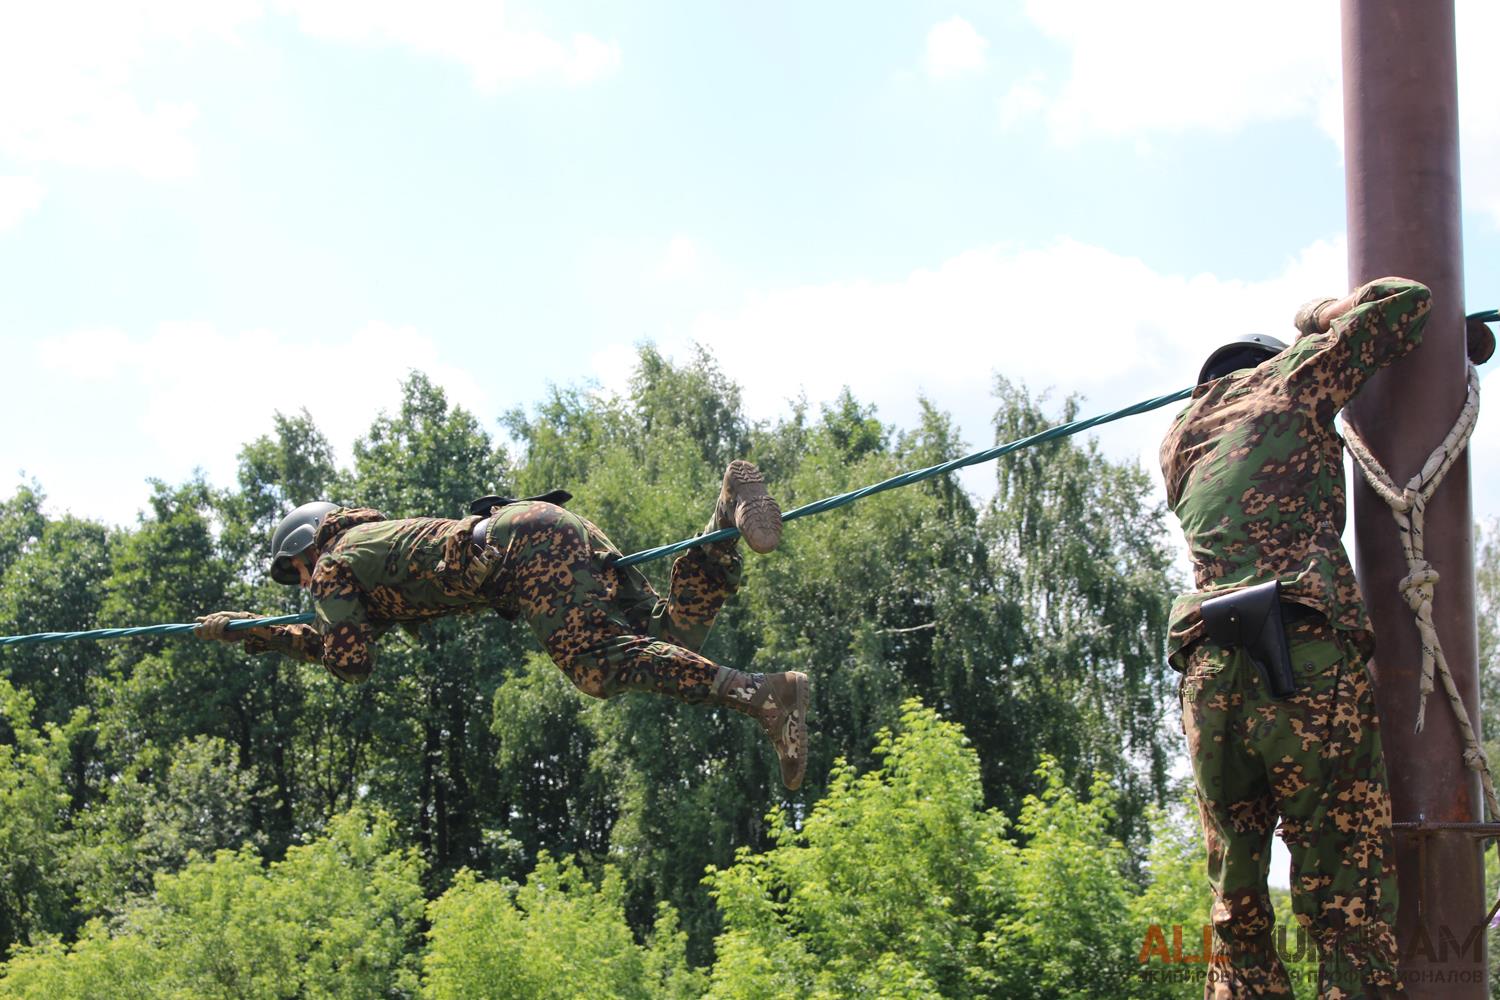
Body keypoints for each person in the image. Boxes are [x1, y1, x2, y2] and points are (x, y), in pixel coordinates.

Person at [196, 460, 811, 789]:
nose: (304, 588)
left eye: (296, 574)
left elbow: (349, 660)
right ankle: (724, 514)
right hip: (546, 528)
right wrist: (253, 632)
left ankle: (764, 696)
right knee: (668, 638)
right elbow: (347, 636)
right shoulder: (367, 549)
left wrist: (258, 632)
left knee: (596, 668)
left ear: (310, 547)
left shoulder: (335, 566)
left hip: (522, 550)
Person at [1160, 276, 1431, 999]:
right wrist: (1317, 319)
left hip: (1209, 673)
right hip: (1301, 655)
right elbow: (1407, 300)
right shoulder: (1291, 379)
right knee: (1344, 892)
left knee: (1235, 904)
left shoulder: (1177, 439)